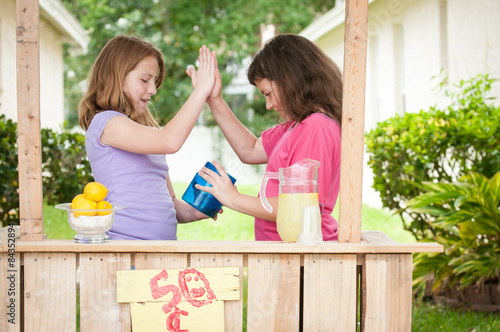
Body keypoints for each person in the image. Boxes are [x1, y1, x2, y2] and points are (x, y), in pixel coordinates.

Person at [188, 33, 343, 241]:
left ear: (291, 79)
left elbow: (298, 208)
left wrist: (233, 198)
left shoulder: (316, 127)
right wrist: (214, 100)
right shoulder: (298, 125)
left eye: (268, 93)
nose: (269, 105)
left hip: (301, 259)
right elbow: (250, 149)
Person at [78, 35, 216, 240]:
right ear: (116, 76)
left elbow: (170, 204)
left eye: (154, 81)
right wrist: (201, 91)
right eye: (145, 80)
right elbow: (170, 141)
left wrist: (194, 211)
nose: (153, 90)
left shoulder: (146, 135)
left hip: (157, 253)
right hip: (124, 250)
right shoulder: (106, 123)